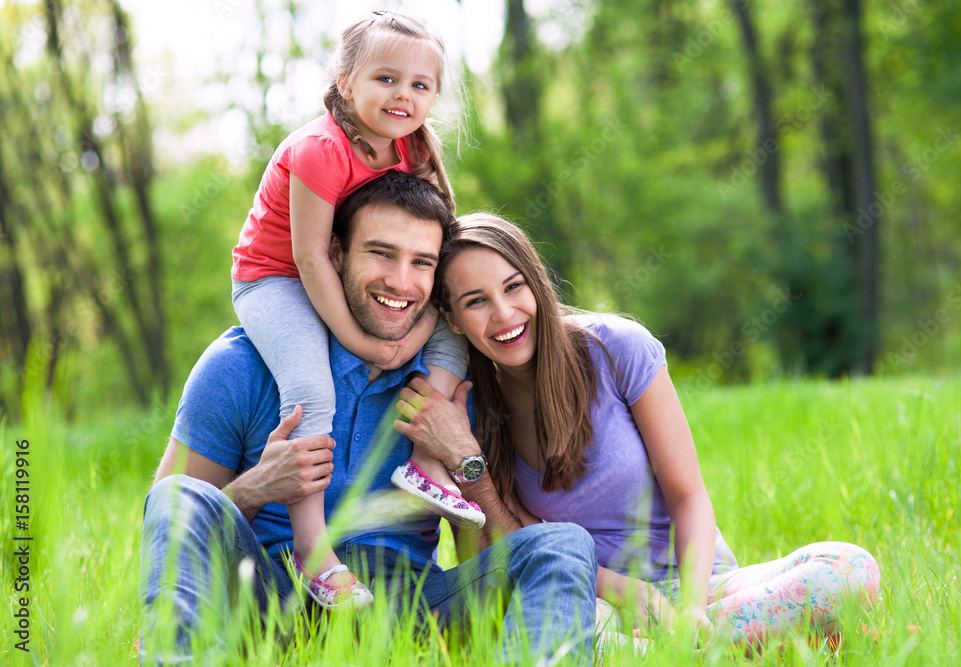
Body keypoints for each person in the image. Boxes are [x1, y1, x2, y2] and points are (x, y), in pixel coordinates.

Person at [139, 172, 598, 664]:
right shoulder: (240, 365)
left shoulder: (456, 381)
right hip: (271, 599)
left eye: (421, 262)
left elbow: (485, 555)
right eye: (381, 253)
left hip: (410, 609)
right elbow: (173, 523)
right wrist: (257, 487)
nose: (401, 281)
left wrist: (466, 462)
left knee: (562, 545)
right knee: (179, 493)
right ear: (335, 254)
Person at [397, 213, 882, 651]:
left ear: (537, 283)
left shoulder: (616, 350)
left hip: (704, 588)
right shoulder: (473, 407)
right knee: (554, 630)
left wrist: (689, 611)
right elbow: (499, 555)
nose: (504, 314)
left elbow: (687, 495)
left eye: (514, 287)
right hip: (591, 603)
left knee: (847, 568)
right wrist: (465, 464)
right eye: (476, 301)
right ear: (453, 320)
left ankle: (696, 650)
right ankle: (755, 648)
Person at [229, 10, 484, 610]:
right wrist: (368, 343)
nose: (404, 95)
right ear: (346, 81)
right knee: (311, 387)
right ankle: (313, 548)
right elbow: (312, 259)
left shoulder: (411, 145)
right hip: (276, 279)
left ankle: (425, 460)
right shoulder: (320, 149)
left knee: (454, 331)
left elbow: (431, 239)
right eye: (386, 79)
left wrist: (425, 321)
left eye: (420, 86)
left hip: (353, 276)